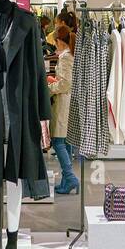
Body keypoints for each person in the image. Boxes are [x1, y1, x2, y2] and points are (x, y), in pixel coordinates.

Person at [47, 24, 79, 194]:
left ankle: (71, 177)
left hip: (63, 103)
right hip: (68, 101)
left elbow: (66, 83)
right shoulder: (70, 55)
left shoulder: (65, 57)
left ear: (60, 41)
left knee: (58, 141)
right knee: (65, 141)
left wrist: (49, 87)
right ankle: (68, 181)